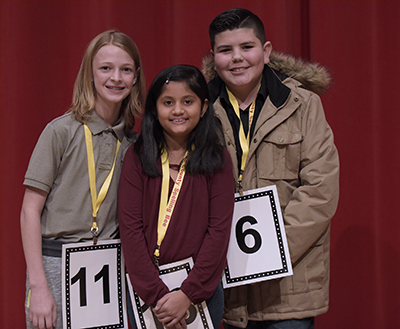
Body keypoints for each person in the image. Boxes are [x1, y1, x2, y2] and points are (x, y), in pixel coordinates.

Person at [202, 8, 340, 329]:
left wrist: (270, 255)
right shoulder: (199, 109)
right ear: (214, 56)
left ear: (265, 52)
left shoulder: (303, 105)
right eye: (225, 50)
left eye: (246, 47)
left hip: (288, 291)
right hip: (225, 290)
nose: (237, 58)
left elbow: (320, 190)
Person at [20, 30, 145, 329]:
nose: (116, 78)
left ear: (136, 77)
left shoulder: (133, 143)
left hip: (106, 264)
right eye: (106, 68)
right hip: (55, 263)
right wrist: (38, 286)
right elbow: (29, 211)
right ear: (90, 73)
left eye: (125, 70)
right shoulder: (60, 131)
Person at [118, 64, 235, 329]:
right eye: (168, 102)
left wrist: (187, 294)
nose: (178, 110)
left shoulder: (218, 160)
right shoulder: (137, 157)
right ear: (154, 108)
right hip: (147, 296)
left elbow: (218, 233)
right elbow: (131, 230)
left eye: (188, 101)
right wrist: (158, 296)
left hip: (201, 294)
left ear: (204, 107)